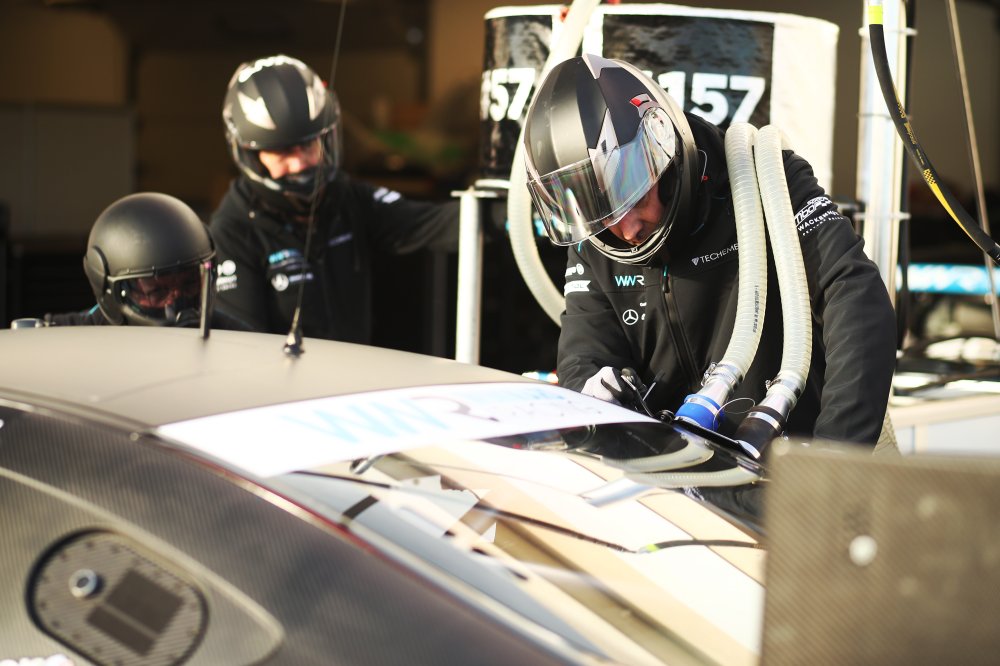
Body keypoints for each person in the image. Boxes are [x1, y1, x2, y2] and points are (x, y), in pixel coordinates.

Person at [522, 54, 897, 447]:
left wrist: (832, 458)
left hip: (789, 466)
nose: (627, 229)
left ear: (663, 149)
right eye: (601, 213)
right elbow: (584, 356)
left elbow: (856, 300)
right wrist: (593, 395)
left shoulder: (766, 176)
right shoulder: (597, 238)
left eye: (633, 195)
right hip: (668, 473)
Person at [210, 54, 461, 343]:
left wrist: (503, 213)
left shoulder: (346, 197)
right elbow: (242, 348)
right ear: (251, 155)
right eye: (283, 151)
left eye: (308, 144)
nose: (300, 163)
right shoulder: (233, 231)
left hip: (358, 369)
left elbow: (433, 223)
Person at [39, 191, 246, 331]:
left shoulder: (233, 338)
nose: (177, 305)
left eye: (190, 284)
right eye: (157, 292)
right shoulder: (63, 338)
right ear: (110, 291)